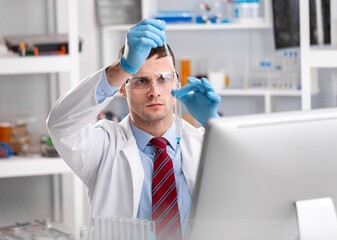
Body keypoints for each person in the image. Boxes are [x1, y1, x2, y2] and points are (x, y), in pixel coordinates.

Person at [46, 18, 221, 240]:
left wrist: (215, 126)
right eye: (140, 81)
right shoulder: (103, 148)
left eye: (164, 79)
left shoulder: (203, 143)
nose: (154, 91)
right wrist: (123, 67)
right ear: (122, 88)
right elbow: (61, 125)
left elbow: (248, 191)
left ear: (176, 82)